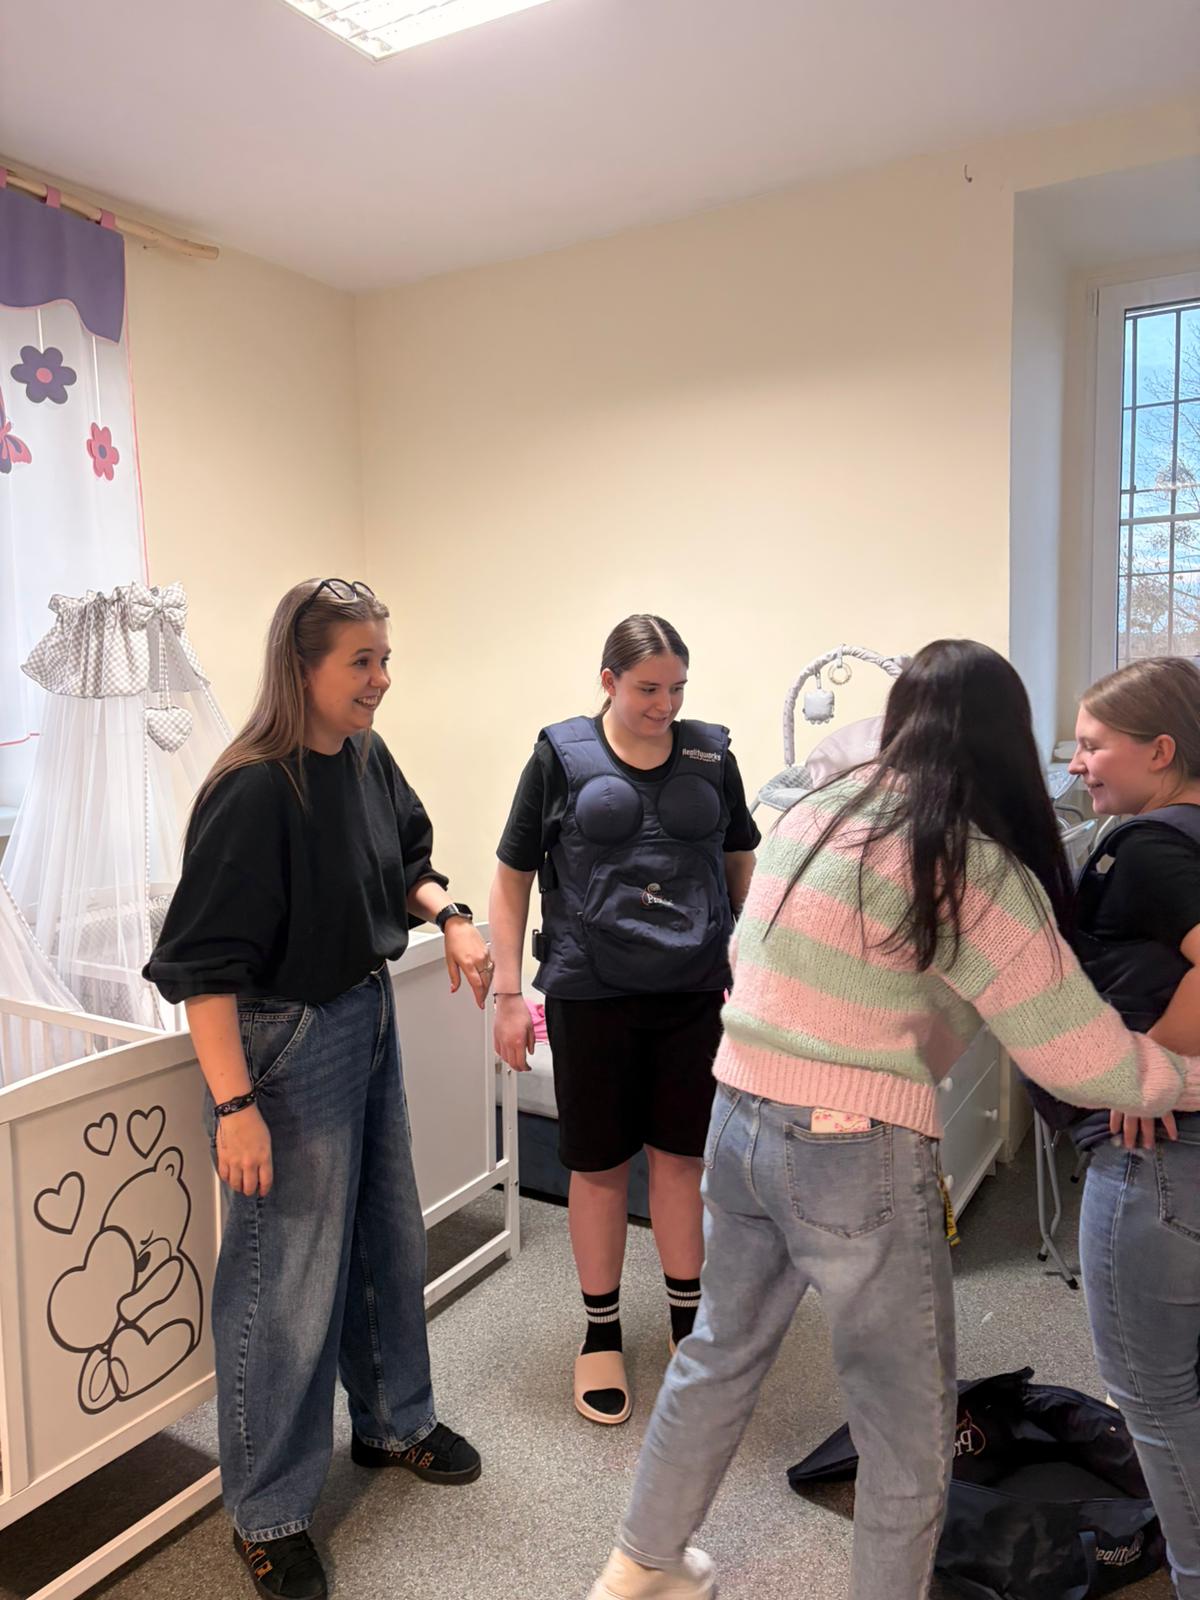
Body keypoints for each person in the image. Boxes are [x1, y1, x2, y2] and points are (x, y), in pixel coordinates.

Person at [584, 639, 1200, 1600]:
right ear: (1006, 741)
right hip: (853, 1151)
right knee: (906, 1429)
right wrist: (1180, 1081)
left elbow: (755, 953)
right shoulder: (976, 867)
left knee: (718, 1353)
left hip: (737, 1116)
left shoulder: (815, 810)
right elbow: (1079, 1060)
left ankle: (640, 1567)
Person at [145, 579, 489, 1600]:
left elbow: (405, 860)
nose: (381, 680)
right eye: (361, 662)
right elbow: (203, 967)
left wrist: (451, 915)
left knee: (386, 1237)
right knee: (284, 1283)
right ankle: (267, 1511)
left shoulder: (364, 756)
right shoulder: (253, 790)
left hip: (363, 1011)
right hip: (283, 1043)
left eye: (384, 658)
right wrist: (235, 1107)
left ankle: (392, 1422)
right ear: (302, 668)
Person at [489, 614, 759, 1426]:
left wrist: (756, 972)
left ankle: (687, 1322)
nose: (665, 705)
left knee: (681, 1160)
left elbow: (741, 864)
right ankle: (600, 1333)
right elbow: (511, 877)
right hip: (589, 994)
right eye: (647, 689)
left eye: (677, 689)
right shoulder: (559, 757)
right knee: (599, 1166)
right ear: (607, 681)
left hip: (691, 991)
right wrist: (509, 994)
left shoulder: (711, 756)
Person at [1049, 656, 1200, 1600]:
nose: (1078, 764)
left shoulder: (1148, 847)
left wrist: (1148, 1073)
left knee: (1155, 1401)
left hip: (1159, 1162)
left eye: (1094, 745)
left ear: (1161, 749)